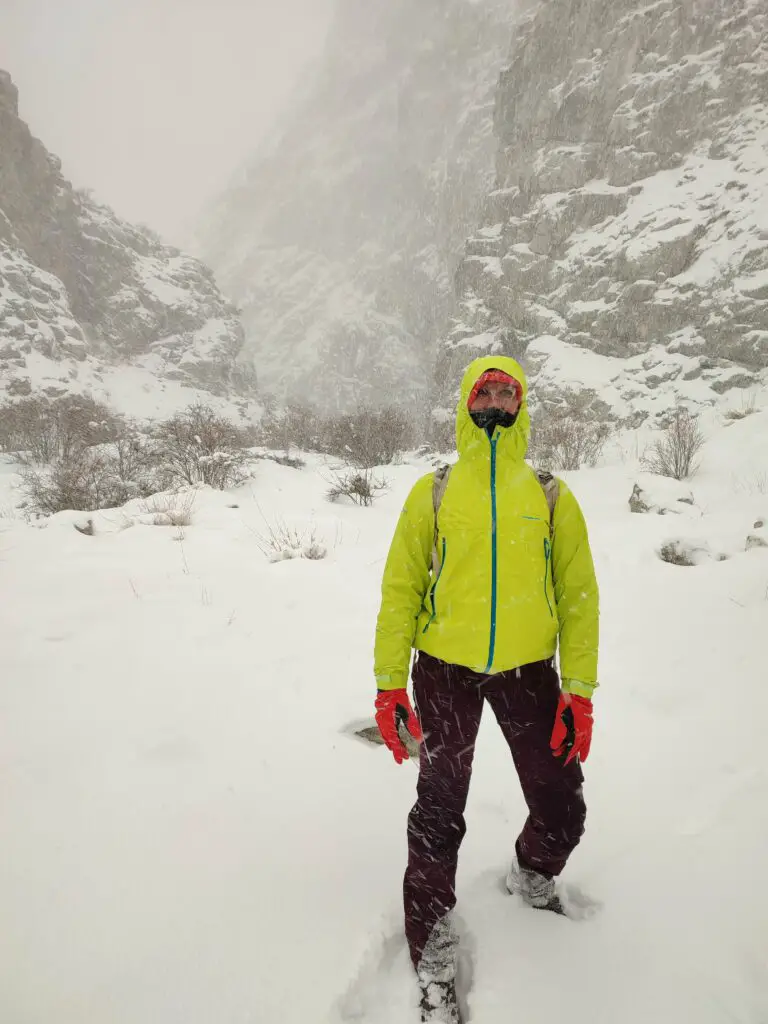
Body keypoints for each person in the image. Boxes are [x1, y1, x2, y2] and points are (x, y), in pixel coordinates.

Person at [373, 355, 599, 1023]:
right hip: (445, 669)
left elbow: (579, 597)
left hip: (530, 672)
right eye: (485, 390)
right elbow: (400, 590)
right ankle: (432, 940)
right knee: (439, 807)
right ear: (466, 403)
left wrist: (578, 690)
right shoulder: (436, 490)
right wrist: (390, 685)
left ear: (522, 403)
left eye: (508, 391)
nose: (496, 399)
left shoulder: (551, 494)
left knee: (562, 801)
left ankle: (534, 873)